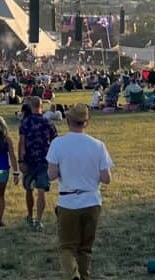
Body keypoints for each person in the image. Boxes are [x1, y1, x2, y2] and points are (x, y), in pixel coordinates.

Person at [46, 104, 114, 280]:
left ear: (68, 121)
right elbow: (106, 178)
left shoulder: (58, 144)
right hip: (92, 201)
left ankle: (72, 275)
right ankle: (84, 276)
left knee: (67, 247)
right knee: (85, 248)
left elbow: (51, 175)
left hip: (68, 202)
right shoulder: (98, 145)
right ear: (86, 123)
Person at [19, 96, 57, 231]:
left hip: (29, 161)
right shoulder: (49, 122)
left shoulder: (25, 122)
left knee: (29, 189)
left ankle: (30, 216)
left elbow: (21, 143)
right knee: (41, 191)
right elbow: (54, 143)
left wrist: (21, 160)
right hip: (45, 161)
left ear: (30, 106)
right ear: (41, 106)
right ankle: (39, 220)